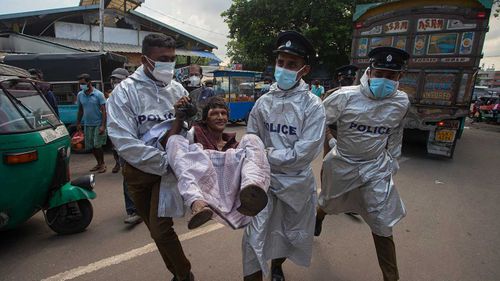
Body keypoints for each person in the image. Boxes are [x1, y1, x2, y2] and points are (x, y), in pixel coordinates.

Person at [316, 47, 410, 281]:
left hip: (375, 168)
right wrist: (327, 141)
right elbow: (316, 123)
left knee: (382, 222)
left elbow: (397, 131)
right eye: (380, 73)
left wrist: (393, 159)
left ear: (400, 77)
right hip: (343, 163)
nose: (384, 80)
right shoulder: (344, 96)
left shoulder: (401, 102)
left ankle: (391, 277)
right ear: (369, 71)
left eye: (391, 76)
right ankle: (318, 217)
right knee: (328, 202)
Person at [106, 34, 194, 281]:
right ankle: (178, 273)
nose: (169, 65)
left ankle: (184, 275)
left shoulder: (177, 89)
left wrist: (188, 118)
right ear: (145, 60)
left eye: (172, 59)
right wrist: (162, 161)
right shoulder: (124, 93)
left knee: (161, 228)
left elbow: (188, 128)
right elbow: (122, 139)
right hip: (138, 172)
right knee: (155, 232)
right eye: (162, 59)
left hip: (167, 172)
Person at [242, 31, 326, 281]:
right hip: (262, 183)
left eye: (292, 64)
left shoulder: (313, 106)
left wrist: (265, 153)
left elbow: (303, 154)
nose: (284, 69)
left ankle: (277, 265)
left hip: (296, 184)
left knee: (287, 233)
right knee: (252, 238)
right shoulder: (263, 102)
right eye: (281, 63)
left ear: (304, 69)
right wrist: (258, 156)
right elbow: (251, 137)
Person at [152, 96, 269, 230]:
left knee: (252, 138)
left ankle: (252, 192)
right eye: (214, 114)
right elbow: (169, 145)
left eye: (223, 113)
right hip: (203, 185)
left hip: (230, 187)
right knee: (175, 141)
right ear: (205, 119)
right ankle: (197, 203)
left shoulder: (233, 144)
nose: (220, 117)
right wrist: (179, 118)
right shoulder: (195, 133)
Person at [106, 67, 142, 225]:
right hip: (123, 146)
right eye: (114, 80)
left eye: (119, 80)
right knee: (128, 177)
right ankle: (133, 210)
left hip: (141, 143)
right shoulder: (111, 99)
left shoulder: (137, 96)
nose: (116, 83)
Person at [76, 73, 107, 173]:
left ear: (89, 82)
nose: (81, 86)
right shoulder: (80, 94)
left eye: (83, 83)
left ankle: (103, 164)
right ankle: (98, 163)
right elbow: (80, 110)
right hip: (87, 124)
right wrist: (78, 123)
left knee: (98, 145)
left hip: (98, 123)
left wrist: (103, 125)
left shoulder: (98, 94)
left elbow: (104, 111)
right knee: (91, 146)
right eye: (80, 84)